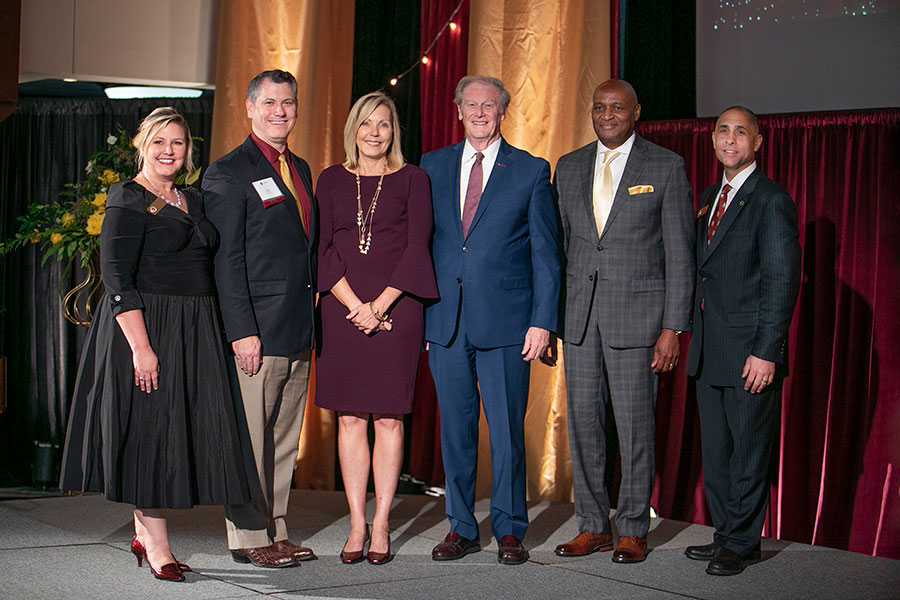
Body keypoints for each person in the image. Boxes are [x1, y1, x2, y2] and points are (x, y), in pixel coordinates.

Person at [59, 107, 253, 582]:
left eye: (179, 143)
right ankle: (157, 546)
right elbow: (117, 277)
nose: (169, 151)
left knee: (180, 433)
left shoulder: (193, 197)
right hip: (148, 326)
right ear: (142, 146)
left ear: (189, 150)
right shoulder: (126, 195)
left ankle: (146, 535)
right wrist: (141, 348)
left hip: (197, 326)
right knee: (153, 435)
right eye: (160, 141)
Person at [553, 79, 695, 564]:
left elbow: (680, 253)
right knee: (584, 429)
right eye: (598, 107)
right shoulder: (568, 167)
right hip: (579, 322)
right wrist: (552, 321)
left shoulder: (665, 166)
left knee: (635, 429)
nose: (607, 114)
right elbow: (560, 250)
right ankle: (593, 526)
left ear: (637, 111)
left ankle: (633, 527)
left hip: (639, 321)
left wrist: (673, 326)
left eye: (616, 107)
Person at [420, 75, 560, 566]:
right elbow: (421, 245)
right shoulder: (432, 166)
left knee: (505, 432)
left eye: (490, 105)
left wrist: (543, 321)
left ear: (503, 111)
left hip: (508, 324)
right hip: (445, 323)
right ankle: (460, 526)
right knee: (455, 432)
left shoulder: (529, 170)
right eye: (471, 104)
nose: (480, 112)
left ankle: (508, 528)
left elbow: (547, 254)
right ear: (458, 110)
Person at [315, 91, 437, 566]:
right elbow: (321, 249)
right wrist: (356, 307)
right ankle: (356, 522)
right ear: (353, 130)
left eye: (383, 124)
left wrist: (381, 305)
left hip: (398, 310)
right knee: (349, 418)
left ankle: (382, 522)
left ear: (394, 131)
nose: (374, 132)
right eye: (366, 123)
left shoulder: (414, 178)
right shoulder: (329, 179)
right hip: (342, 312)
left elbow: (417, 246)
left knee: (388, 418)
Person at [202, 69, 318, 568]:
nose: (280, 111)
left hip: (298, 327)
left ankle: (277, 528)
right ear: (249, 108)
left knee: (283, 440)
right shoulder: (228, 172)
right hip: (257, 331)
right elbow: (225, 262)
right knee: (252, 438)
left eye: (288, 103)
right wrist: (241, 331)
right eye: (269, 102)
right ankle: (248, 536)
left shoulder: (301, 168)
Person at [683, 106, 801, 576]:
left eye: (740, 132)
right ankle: (725, 536)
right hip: (709, 351)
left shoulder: (771, 200)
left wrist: (766, 351)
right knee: (718, 453)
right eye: (722, 131)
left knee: (750, 450)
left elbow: (781, 279)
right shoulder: (711, 196)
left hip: (751, 352)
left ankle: (742, 541)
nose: (730, 140)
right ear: (712, 140)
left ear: (757, 142)